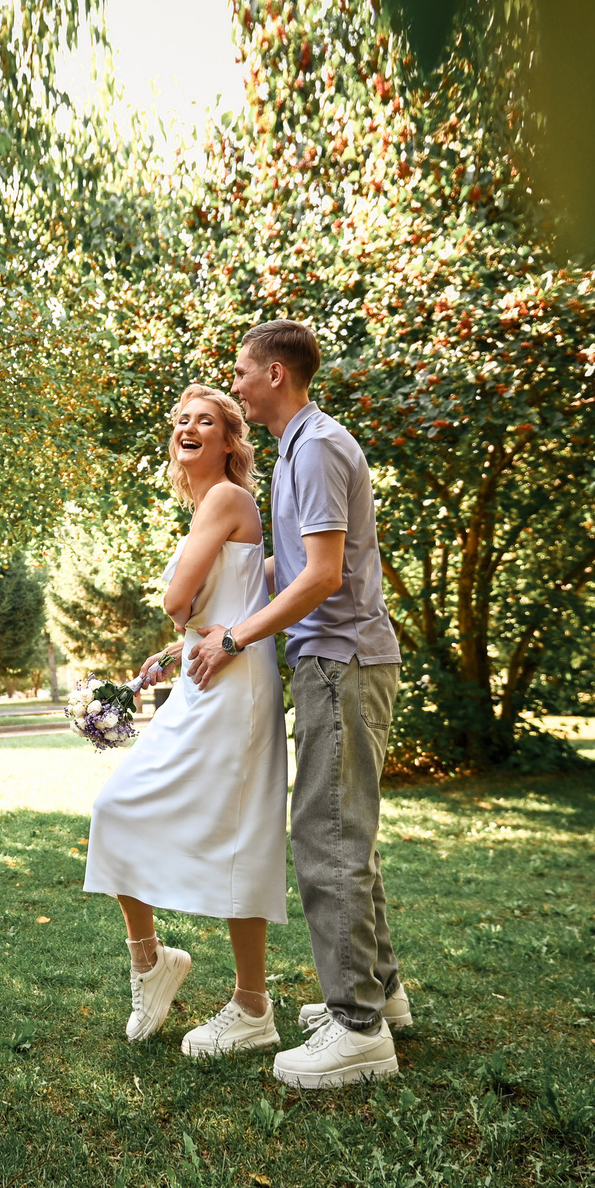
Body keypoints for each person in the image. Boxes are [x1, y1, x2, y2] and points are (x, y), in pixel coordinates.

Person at [188, 319, 409, 1089]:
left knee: (328, 836)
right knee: (348, 831)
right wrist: (227, 610)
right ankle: (383, 994)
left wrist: (236, 639)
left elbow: (321, 578)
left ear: (275, 375)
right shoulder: (301, 448)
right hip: (340, 660)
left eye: (243, 372)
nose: (237, 383)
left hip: (339, 662)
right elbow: (298, 559)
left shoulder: (312, 447)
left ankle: (356, 1028)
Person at [81, 384, 292, 1057]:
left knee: (239, 832)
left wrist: (187, 621)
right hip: (207, 675)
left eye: (206, 420)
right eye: (180, 421)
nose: (188, 427)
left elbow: (179, 599)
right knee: (117, 807)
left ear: (231, 442)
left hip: (237, 686)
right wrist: (177, 648)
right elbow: (220, 603)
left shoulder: (227, 498)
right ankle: (151, 963)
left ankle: (253, 1006)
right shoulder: (210, 508)